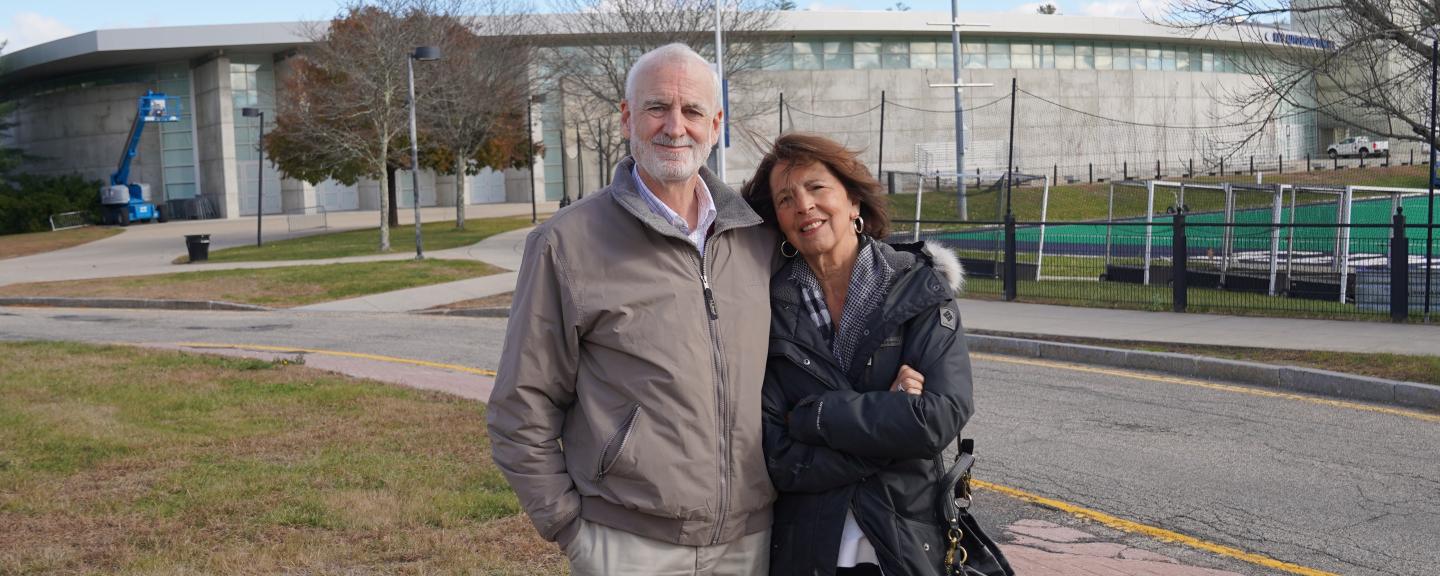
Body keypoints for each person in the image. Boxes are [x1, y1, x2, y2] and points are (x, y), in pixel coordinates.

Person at [487, 43, 777, 575]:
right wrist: (571, 530)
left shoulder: (756, 239)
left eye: (691, 111)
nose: (675, 126)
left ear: (715, 123)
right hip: (626, 544)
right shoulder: (566, 243)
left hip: (751, 541)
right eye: (656, 108)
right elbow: (519, 407)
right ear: (627, 117)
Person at [741, 134, 972, 576]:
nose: (803, 205)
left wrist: (815, 417)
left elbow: (938, 417)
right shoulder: (767, 309)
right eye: (786, 198)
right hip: (807, 548)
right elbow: (777, 455)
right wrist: (888, 425)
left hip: (905, 541)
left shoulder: (917, 289)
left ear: (853, 201)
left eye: (816, 188)